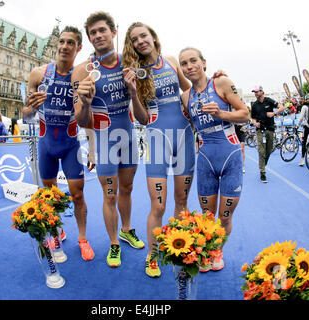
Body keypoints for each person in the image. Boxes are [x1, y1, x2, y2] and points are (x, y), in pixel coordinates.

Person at [121, 22, 196, 277]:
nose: (141, 41)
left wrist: (192, 108)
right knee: (159, 207)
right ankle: (152, 256)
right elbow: (142, 119)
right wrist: (132, 91)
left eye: (144, 35)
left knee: (182, 200)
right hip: (156, 140)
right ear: (132, 46)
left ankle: (181, 250)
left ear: (153, 37)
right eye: (135, 39)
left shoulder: (172, 60)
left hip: (184, 136)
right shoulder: (135, 72)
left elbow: (188, 89)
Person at [72, 12, 145, 268]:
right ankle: (114, 243)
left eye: (102, 30)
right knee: (110, 195)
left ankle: (126, 229)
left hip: (128, 136)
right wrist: (85, 102)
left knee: (127, 189)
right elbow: (81, 121)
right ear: (90, 38)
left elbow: (160, 61)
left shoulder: (131, 61)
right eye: (93, 33)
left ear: (114, 32)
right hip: (104, 141)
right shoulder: (83, 70)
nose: (98, 35)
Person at [23, 25, 95, 261]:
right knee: (50, 195)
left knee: (77, 195)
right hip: (46, 145)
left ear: (78, 47)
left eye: (70, 43)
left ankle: (82, 238)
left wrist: (92, 149)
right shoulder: (38, 73)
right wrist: (31, 108)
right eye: (61, 42)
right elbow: (25, 115)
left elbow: (87, 119)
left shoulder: (80, 76)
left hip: (71, 144)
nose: (64, 46)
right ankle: (56, 231)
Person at [179, 47, 249, 272]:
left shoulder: (222, 83)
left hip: (231, 158)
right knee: (207, 217)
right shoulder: (185, 97)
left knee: (225, 216)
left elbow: (245, 114)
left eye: (193, 61)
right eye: (184, 63)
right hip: (206, 160)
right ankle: (208, 251)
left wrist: (221, 114)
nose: (189, 66)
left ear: (204, 63)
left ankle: (218, 251)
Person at [250, 86, 285, 183]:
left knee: (269, 150)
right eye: (254, 92)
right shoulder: (254, 105)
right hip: (260, 130)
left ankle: (263, 164)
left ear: (262, 91)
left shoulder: (269, 101)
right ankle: (262, 172)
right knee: (261, 151)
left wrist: (274, 113)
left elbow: (282, 107)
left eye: (257, 92)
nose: (256, 93)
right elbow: (252, 118)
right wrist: (255, 123)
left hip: (270, 129)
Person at [297, 94, 309, 166]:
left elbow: (301, 117)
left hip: (306, 126)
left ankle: (302, 159)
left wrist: (297, 125)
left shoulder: (304, 107)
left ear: (305, 99)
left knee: (304, 142)